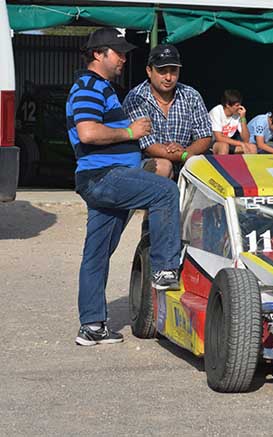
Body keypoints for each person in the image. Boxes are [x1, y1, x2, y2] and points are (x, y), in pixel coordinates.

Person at [66, 28, 181, 346]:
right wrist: (130, 132)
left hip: (103, 177)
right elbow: (88, 133)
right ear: (98, 54)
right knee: (164, 191)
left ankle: (91, 326)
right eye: (117, 52)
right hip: (105, 176)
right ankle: (164, 269)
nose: (123, 57)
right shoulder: (89, 86)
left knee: (97, 255)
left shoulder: (101, 87)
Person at [122, 44, 212, 179]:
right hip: (146, 164)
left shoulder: (191, 95)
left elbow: (205, 136)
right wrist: (182, 155)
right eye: (162, 71)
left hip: (186, 160)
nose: (169, 77)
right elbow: (148, 146)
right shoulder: (136, 97)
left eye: (173, 70)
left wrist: (187, 152)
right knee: (164, 166)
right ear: (149, 71)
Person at [209, 89, 256, 154]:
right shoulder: (216, 111)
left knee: (252, 147)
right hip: (212, 144)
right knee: (224, 146)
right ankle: (222, 164)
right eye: (237, 105)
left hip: (228, 142)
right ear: (227, 105)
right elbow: (218, 138)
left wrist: (243, 118)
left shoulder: (238, 114)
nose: (240, 107)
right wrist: (241, 143)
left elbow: (246, 139)